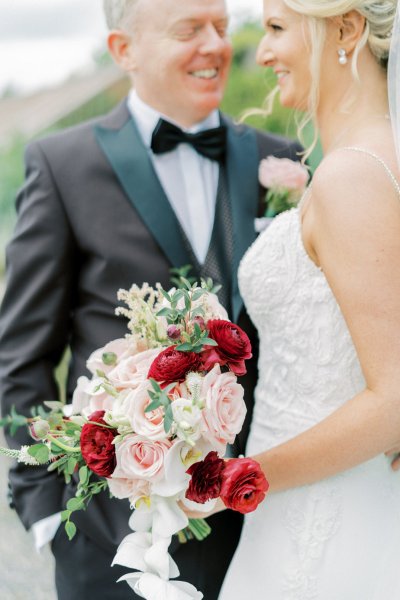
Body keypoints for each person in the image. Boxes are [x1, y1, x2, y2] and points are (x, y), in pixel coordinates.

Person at [0, 0, 301, 599]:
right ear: (123, 50)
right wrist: (48, 517)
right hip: (117, 542)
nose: (216, 46)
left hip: (272, 522)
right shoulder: (64, 165)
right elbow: (23, 357)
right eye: (189, 30)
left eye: (221, 26)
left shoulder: (283, 162)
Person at [195, 0, 400, 598]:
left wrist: (235, 479)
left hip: (331, 510)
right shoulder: (361, 163)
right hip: (302, 500)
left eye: (278, 28)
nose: (260, 52)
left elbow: (393, 397)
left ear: (347, 28)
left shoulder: (355, 174)